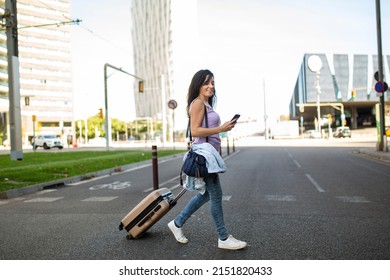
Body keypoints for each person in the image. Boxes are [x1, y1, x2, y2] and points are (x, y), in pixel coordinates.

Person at [168, 69, 247, 250]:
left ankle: (177, 223)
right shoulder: (197, 103)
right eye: (206, 83)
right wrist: (221, 128)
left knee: (207, 195)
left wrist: (224, 127)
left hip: (210, 155)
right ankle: (223, 237)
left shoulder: (206, 104)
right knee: (216, 195)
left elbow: (205, 129)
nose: (211, 86)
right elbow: (195, 131)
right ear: (198, 85)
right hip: (204, 156)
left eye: (212, 82)